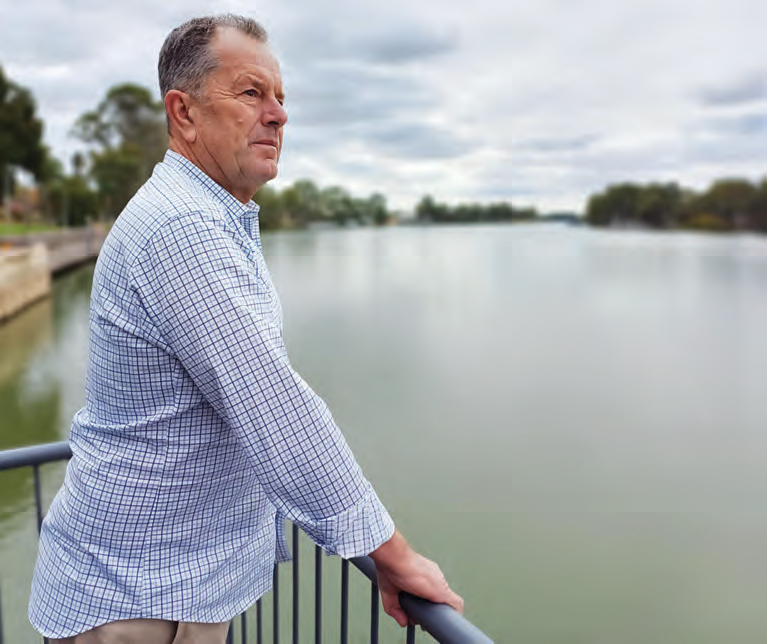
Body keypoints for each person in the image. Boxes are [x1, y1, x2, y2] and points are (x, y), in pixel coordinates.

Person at [28, 14, 463, 644]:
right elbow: (275, 409)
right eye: (252, 93)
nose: (279, 115)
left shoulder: (207, 217)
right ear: (184, 113)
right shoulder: (181, 228)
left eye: (280, 97)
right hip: (139, 600)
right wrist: (392, 554)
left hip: (162, 586)